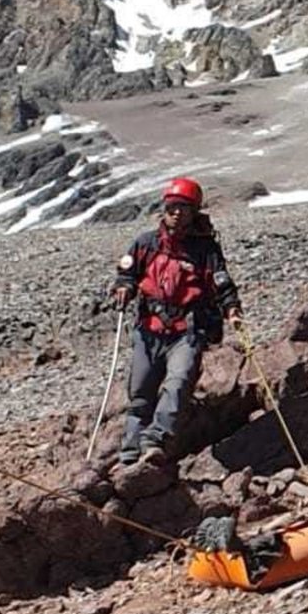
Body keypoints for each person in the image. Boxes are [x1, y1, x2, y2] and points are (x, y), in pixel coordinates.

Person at [110, 178, 242, 466]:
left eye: (184, 207)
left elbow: (221, 283)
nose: (177, 213)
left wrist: (232, 309)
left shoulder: (205, 250)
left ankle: (156, 439)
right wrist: (124, 288)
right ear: (164, 207)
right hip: (149, 328)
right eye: (173, 206)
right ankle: (130, 449)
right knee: (141, 390)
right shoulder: (145, 244)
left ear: (195, 211)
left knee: (178, 383)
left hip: (187, 331)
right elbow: (127, 275)